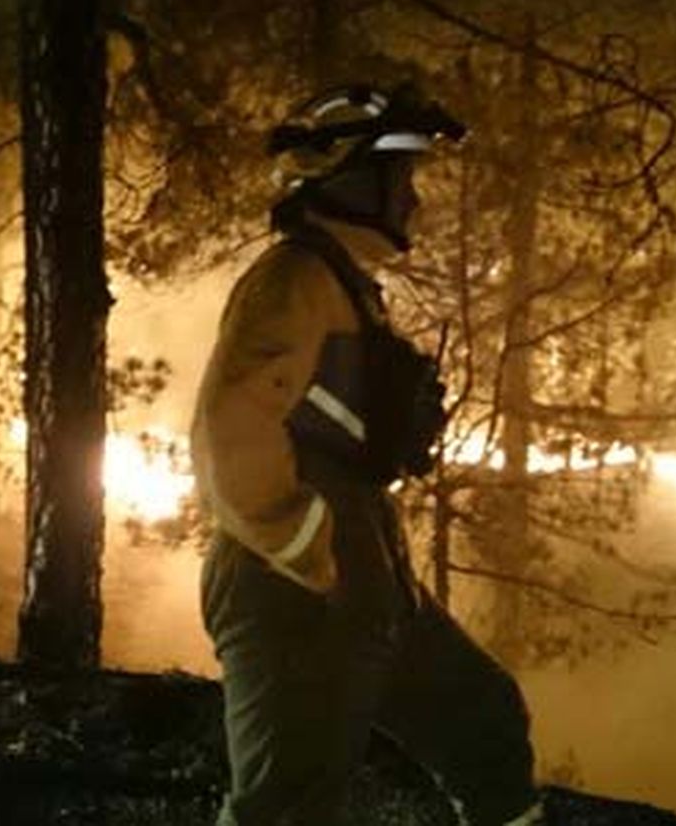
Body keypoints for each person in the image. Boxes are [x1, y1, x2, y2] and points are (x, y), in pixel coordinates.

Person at [191, 83, 545, 826]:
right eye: (402, 177)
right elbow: (231, 428)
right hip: (291, 590)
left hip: (362, 574)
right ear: (351, 175)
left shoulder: (342, 285)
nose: (413, 199)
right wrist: (308, 545)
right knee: (287, 806)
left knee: (483, 720)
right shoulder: (292, 280)